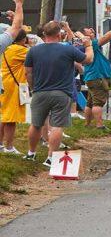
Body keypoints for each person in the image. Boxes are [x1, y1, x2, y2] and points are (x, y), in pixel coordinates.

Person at [24, 21, 93, 166]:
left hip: (39, 92)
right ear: (59, 35)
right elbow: (88, 59)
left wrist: (33, 88)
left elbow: (28, 72)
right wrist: (88, 46)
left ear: (44, 34)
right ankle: (50, 158)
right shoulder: (67, 50)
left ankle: (31, 153)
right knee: (57, 126)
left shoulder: (33, 51)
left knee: (35, 124)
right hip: (62, 93)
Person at [81, 19, 111, 129]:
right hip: (97, 77)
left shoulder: (86, 46)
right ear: (85, 36)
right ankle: (99, 125)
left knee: (90, 102)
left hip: (91, 77)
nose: (92, 30)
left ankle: (87, 124)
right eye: (89, 31)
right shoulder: (91, 44)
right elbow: (107, 37)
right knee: (98, 103)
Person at [0, 29, 29, 153]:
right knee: (11, 118)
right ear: (23, 39)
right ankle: (9, 147)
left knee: (4, 116)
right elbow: (37, 54)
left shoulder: (6, 48)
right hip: (14, 87)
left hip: (5, 84)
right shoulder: (19, 50)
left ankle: (1, 144)